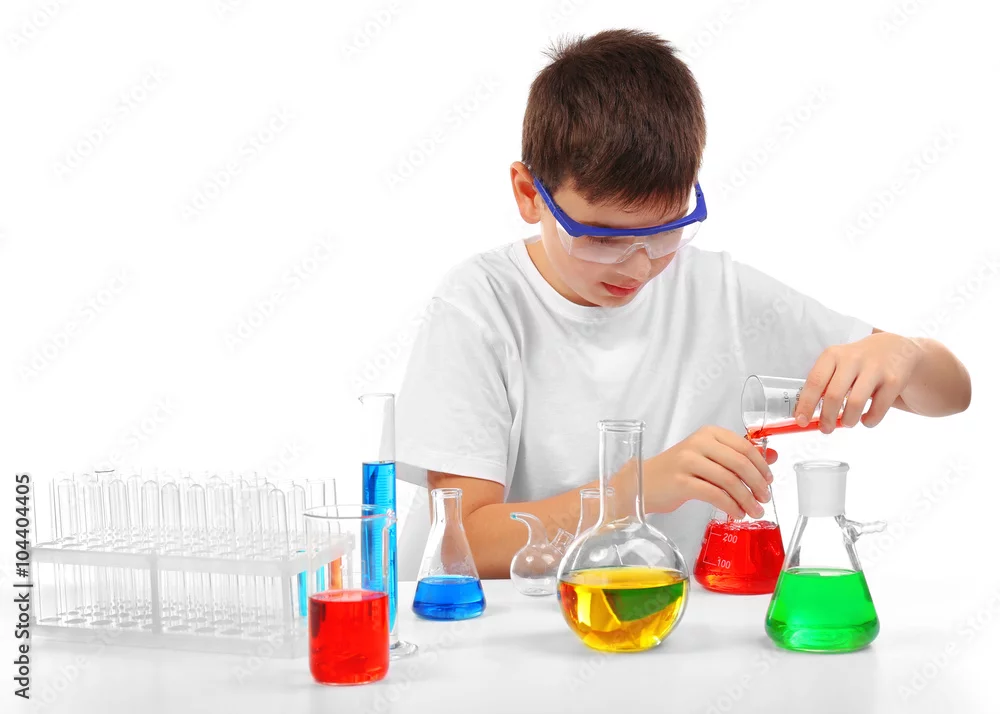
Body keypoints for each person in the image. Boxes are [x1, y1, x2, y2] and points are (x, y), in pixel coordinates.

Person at [393, 29, 971, 578]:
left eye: (667, 231)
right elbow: (461, 542)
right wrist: (634, 493)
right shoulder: (480, 306)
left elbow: (952, 395)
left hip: (662, 629)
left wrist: (907, 354)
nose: (639, 266)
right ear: (528, 194)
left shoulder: (721, 293)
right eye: (602, 238)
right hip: (501, 637)